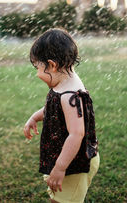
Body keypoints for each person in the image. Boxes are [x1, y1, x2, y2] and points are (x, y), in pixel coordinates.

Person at [23, 28, 99, 203]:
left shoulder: (69, 95)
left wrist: (60, 168)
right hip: (68, 159)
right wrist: (35, 117)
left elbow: (76, 134)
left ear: (52, 65)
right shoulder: (64, 82)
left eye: (38, 67)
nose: (37, 74)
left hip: (75, 164)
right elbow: (53, 109)